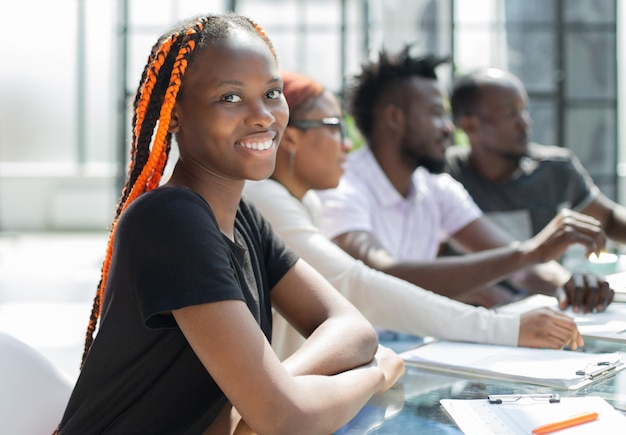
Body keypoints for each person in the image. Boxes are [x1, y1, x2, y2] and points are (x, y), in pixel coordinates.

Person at [55, 13, 405, 434]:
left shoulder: (243, 218)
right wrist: (376, 376)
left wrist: (268, 395)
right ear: (176, 115)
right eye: (230, 98)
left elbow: (352, 329)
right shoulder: (170, 220)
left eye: (272, 93)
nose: (263, 116)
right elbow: (285, 418)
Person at [244, 71, 584, 360]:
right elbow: (357, 283)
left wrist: (560, 280)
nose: (346, 145)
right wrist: (501, 327)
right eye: (334, 127)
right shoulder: (268, 198)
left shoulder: (308, 203)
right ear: (288, 137)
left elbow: (515, 258)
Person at [317, 46, 613, 314]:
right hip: (362, 360)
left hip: (417, 349)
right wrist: (530, 253)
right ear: (394, 118)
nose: (449, 128)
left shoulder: (436, 188)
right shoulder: (343, 187)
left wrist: (570, 283)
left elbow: (519, 264)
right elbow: (382, 275)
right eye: (436, 113)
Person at [446, 67, 626, 248]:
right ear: (469, 124)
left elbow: (608, 220)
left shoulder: (555, 170)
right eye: (510, 114)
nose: (525, 123)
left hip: (555, 276)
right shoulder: (444, 179)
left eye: (523, 110)